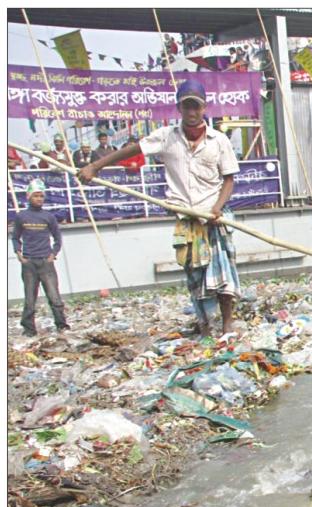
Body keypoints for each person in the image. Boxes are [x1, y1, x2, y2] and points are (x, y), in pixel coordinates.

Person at [79, 79, 242, 337]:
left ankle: (227, 323)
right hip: (187, 217)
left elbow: (229, 179)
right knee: (195, 274)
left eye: (196, 106)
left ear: (204, 108)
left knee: (223, 273)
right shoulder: (167, 137)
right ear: (179, 108)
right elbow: (132, 150)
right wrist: (95, 166)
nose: (192, 112)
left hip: (213, 214)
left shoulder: (218, 140)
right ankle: (204, 325)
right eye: (187, 106)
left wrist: (217, 208)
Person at [11, 179, 69, 336]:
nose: (39, 199)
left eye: (41, 196)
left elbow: (57, 238)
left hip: (45, 262)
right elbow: (15, 237)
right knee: (30, 299)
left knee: (54, 297)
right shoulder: (21, 217)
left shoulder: (48, 217)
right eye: (36, 196)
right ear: (29, 196)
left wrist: (53, 254)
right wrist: (19, 254)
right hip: (29, 263)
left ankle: (61, 325)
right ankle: (29, 329)